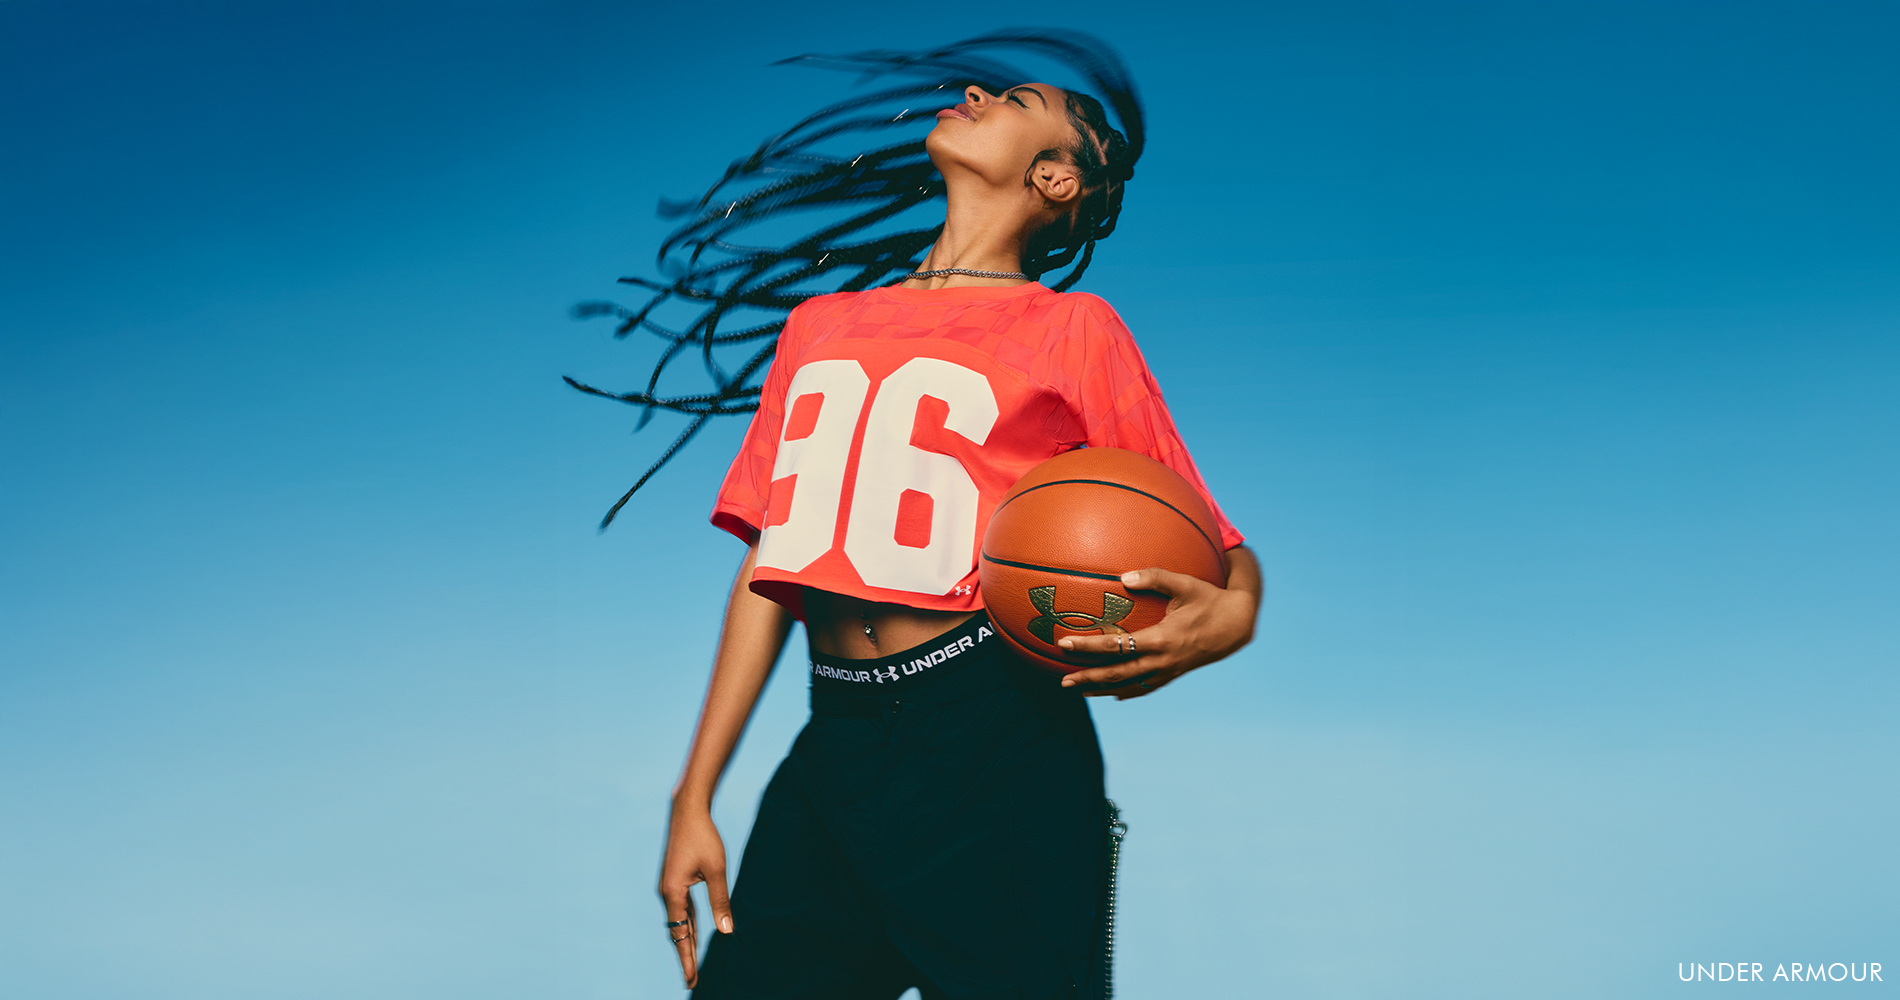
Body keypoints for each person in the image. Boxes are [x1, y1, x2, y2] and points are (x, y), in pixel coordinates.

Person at [628, 36, 1262, 1000]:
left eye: (1015, 100)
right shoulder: (819, 327)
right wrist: (694, 793)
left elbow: (1208, 535)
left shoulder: (1074, 328)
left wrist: (1236, 611)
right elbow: (769, 563)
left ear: (1054, 177)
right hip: (835, 741)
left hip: (994, 737)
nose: (974, 92)